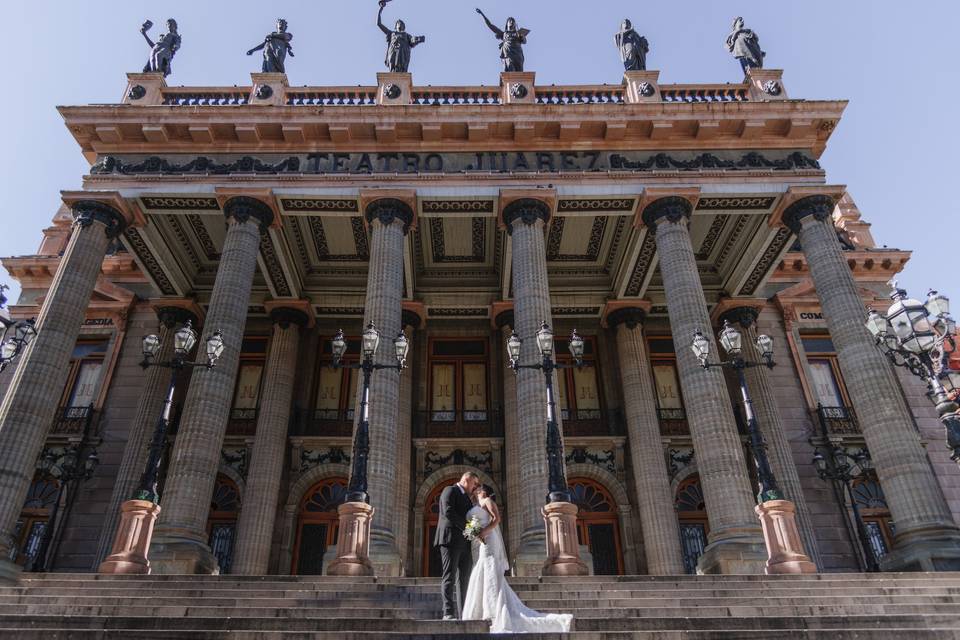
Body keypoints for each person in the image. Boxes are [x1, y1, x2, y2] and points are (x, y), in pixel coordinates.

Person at [462, 486, 573, 633]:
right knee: (483, 569)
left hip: (489, 539)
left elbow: (496, 519)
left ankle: (493, 609)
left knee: (489, 568)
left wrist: (483, 531)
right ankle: (484, 608)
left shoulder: (487, 501)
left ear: (484, 492)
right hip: (481, 541)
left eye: (478, 489)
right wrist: (474, 531)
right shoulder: (475, 505)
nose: (476, 491)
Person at [434, 471, 480, 620]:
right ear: (466, 480)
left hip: (465, 543)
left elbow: (470, 516)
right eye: (474, 484)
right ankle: (448, 612)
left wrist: (474, 529)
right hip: (450, 540)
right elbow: (448, 512)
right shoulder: (450, 490)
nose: (475, 487)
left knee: (464, 579)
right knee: (449, 576)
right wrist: (469, 528)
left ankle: (463, 614)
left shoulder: (468, 498)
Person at [377, 4, 425, 73]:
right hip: (393, 50)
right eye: (398, 23)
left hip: (403, 52)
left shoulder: (406, 35)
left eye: (401, 23)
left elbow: (412, 40)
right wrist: (380, 10)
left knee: (401, 64)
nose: (400, 24)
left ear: (403, 26)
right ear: (395, 26)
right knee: (392, 63)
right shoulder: (391, 33)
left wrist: (419, 39)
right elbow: (379, 24)